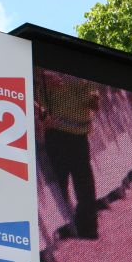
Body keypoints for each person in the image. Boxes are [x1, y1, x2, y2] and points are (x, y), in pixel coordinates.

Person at [37, 70, 100, 239]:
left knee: (62, 179)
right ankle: (85, 226)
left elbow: (93, 102)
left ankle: (68, 223)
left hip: (61, 129)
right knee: (80, 179)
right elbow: (93, 102)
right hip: (71, 130)